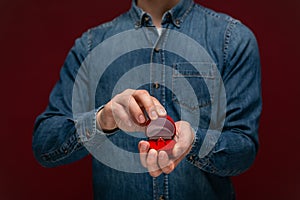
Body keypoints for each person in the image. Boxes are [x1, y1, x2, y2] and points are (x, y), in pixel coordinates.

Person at [32, 0, 262, 199]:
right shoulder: (90, 46)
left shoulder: (232, 39)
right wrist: (104, 118)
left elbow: (243, 149)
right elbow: (45, 145)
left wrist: (195, 141)